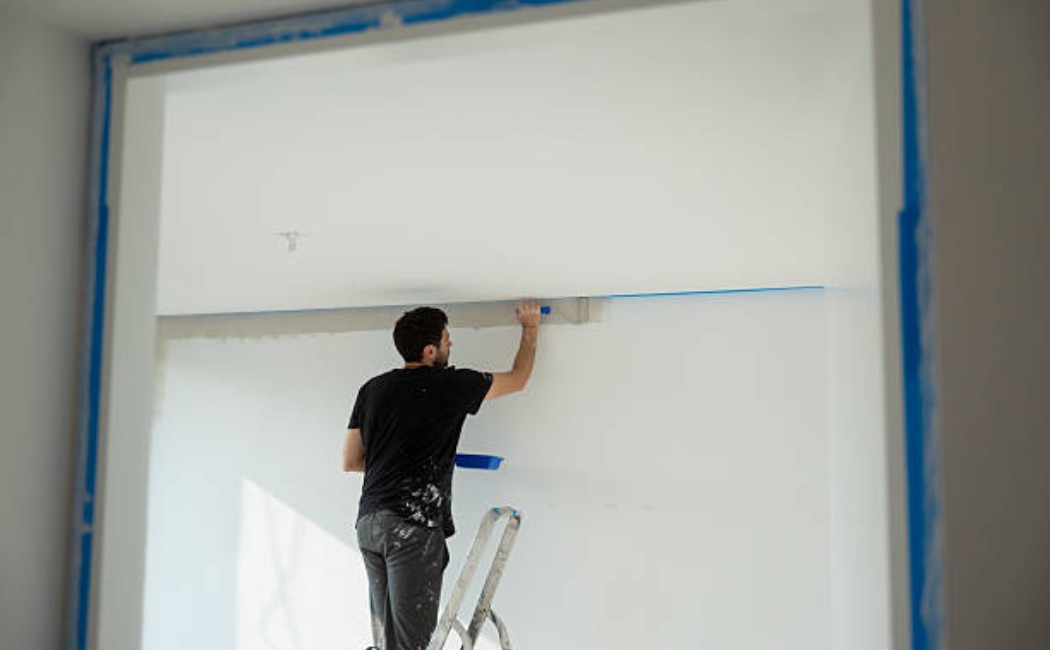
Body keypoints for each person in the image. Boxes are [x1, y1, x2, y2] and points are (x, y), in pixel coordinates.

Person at [343, 301, 542, 650]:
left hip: (369, 524)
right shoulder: (450, 384)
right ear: (430, 349)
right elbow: (519, 378)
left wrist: (395, 464)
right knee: (413, 645)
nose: (452, 345)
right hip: (410, 526)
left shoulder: (371, 389)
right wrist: (530, 328)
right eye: (448, 339)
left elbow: (351, 460)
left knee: (386, 642)